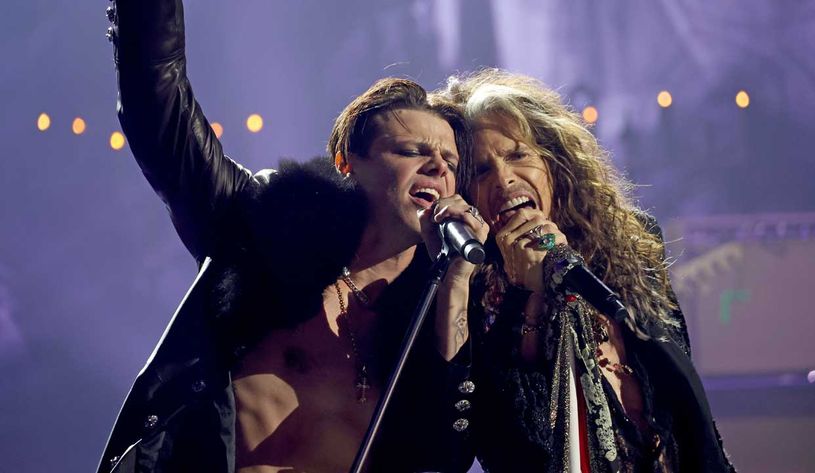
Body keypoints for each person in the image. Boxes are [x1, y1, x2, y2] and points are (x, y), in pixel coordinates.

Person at [98, 1, 487, 472]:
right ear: (348, 163)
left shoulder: (440, 302)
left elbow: (444, 452)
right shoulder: (262, 226)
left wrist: (456, 284)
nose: (438, 168)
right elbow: (158, 111)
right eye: (412, 151)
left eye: (449, 161)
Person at [438, 69, 735, 472]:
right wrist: (530, 295)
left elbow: (684, 393)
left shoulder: (632, 247)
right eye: (481, 171)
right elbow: (513, 445)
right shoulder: (471, 295)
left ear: (553, 163)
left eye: (517, 154)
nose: (504, 180)